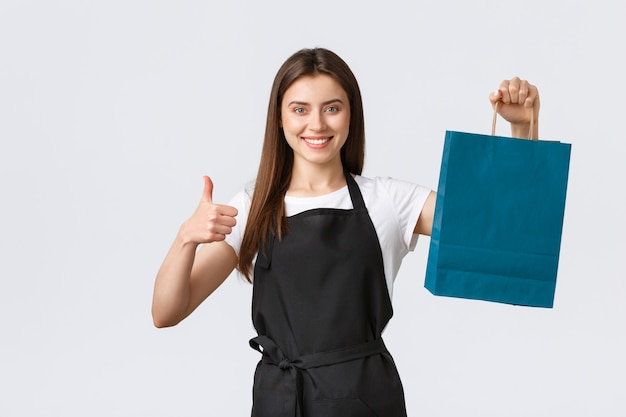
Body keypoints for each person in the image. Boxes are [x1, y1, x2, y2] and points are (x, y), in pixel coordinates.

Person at [152, 47, 540, 417]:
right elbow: (167, 312)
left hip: (365, 401)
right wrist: (185, 237)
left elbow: (501, 234)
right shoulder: (254, 206)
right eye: (300, 109)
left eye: (332, 108)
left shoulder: (388, 200)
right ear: (280, 118)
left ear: (351, 115)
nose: (316, 124)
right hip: (281, 402)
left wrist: (521, 131)